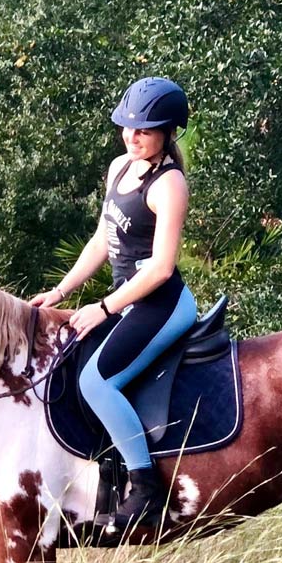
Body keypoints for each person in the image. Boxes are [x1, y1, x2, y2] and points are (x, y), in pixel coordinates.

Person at [30, 77, 197, 530]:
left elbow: (161, 269)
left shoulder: (169, 185)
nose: (132, 136)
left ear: (168, 132)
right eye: (127, 127)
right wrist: (61, 293)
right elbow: (102, 241)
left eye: (144, 130)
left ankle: (145, 490)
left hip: (161, 303)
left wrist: (102, 308)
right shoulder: (119, 168)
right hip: (128, 301)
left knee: (96, 383)